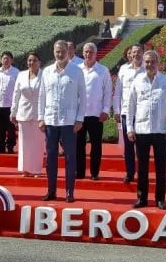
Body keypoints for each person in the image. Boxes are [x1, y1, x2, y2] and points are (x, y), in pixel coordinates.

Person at [127, 50, 166, 209]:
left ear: (158, 63)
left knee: (160, 168)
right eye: (147, 62)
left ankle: (160, 199)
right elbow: (130, 107)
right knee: (142, 168)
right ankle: (142, 199)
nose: (149, 64)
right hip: (141, 130)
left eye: (152, 62)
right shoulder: (137, 81)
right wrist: (129, 127)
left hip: (161, 131)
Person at [38, 40, 85, 203]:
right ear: (53, 52)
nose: (60, 54)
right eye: (57, 51)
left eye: (62, 51)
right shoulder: (47, 71)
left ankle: (69, 192)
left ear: (68, 51)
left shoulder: (77, 71)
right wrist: (41, 117)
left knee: (70, 157)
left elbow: (83, 97)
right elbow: (42, 96)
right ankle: (51, 191)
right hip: (51, 120)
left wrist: (79, 119)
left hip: (69, 122)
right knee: (51, 157)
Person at [77, 42, 112, 180]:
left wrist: (105, 110)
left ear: (95, 54)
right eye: (86, 51)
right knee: (79, 145)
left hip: (96, 114)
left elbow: (108, 92)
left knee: (96, 145)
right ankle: (79, 172)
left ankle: (94, 173)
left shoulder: (103, 70)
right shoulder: (77, 69)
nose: (88, 54)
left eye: (91, 52)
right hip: (79, 114)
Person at [113, 44, 144, 183]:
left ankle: (143, 173)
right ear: (130, 54)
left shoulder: (147, 69)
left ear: (143, 53)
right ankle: (130, 172)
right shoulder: (124, 70)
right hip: (126, 112)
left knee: (142, 145)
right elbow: (118, 91)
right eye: (134, 52)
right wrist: (117, 110)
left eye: (139, 52)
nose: (136, 55)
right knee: (128, 145)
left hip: (143, 113)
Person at [11, 52, 45, 177]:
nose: (32, 63)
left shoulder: (44, 75)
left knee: (37, 143)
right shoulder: (21, 75)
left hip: (39, 114)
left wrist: (45, 115)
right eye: (30, 60)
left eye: (34, 60)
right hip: (23, 112)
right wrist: (13, 112)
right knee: (24, 143)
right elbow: (16, 95)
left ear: (39, 62)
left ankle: (36, 169)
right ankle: (25, 168)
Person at [0, 51, 19, 154]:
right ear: (1, 60)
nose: (6, 60)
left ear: (12, 60)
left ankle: (10, 147)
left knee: (11, 128)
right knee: (0, 128)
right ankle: (0, 146)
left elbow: (19, 89)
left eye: (8, 58)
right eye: (4, 58)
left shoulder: (16, 72)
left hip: (11, 105)